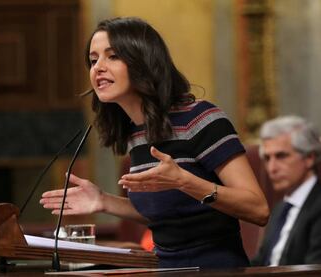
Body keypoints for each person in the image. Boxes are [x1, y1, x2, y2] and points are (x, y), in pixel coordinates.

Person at [40, 17, 269, 269]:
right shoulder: (137, 133)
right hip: (164, 267)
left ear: (143, 62)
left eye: (113, 56)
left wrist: (185, 181)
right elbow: (169, 216)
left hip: (215, 269)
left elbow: (257, 209)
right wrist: (103, 201)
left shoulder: (200, 118)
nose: (98, 68)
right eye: (93, 60)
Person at [251, 115, 321, 266]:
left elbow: (315, 267)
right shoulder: (279, 209)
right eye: (267, 158)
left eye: (281, 156)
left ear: (309, 158)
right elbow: (260, 264)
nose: (272, 168)